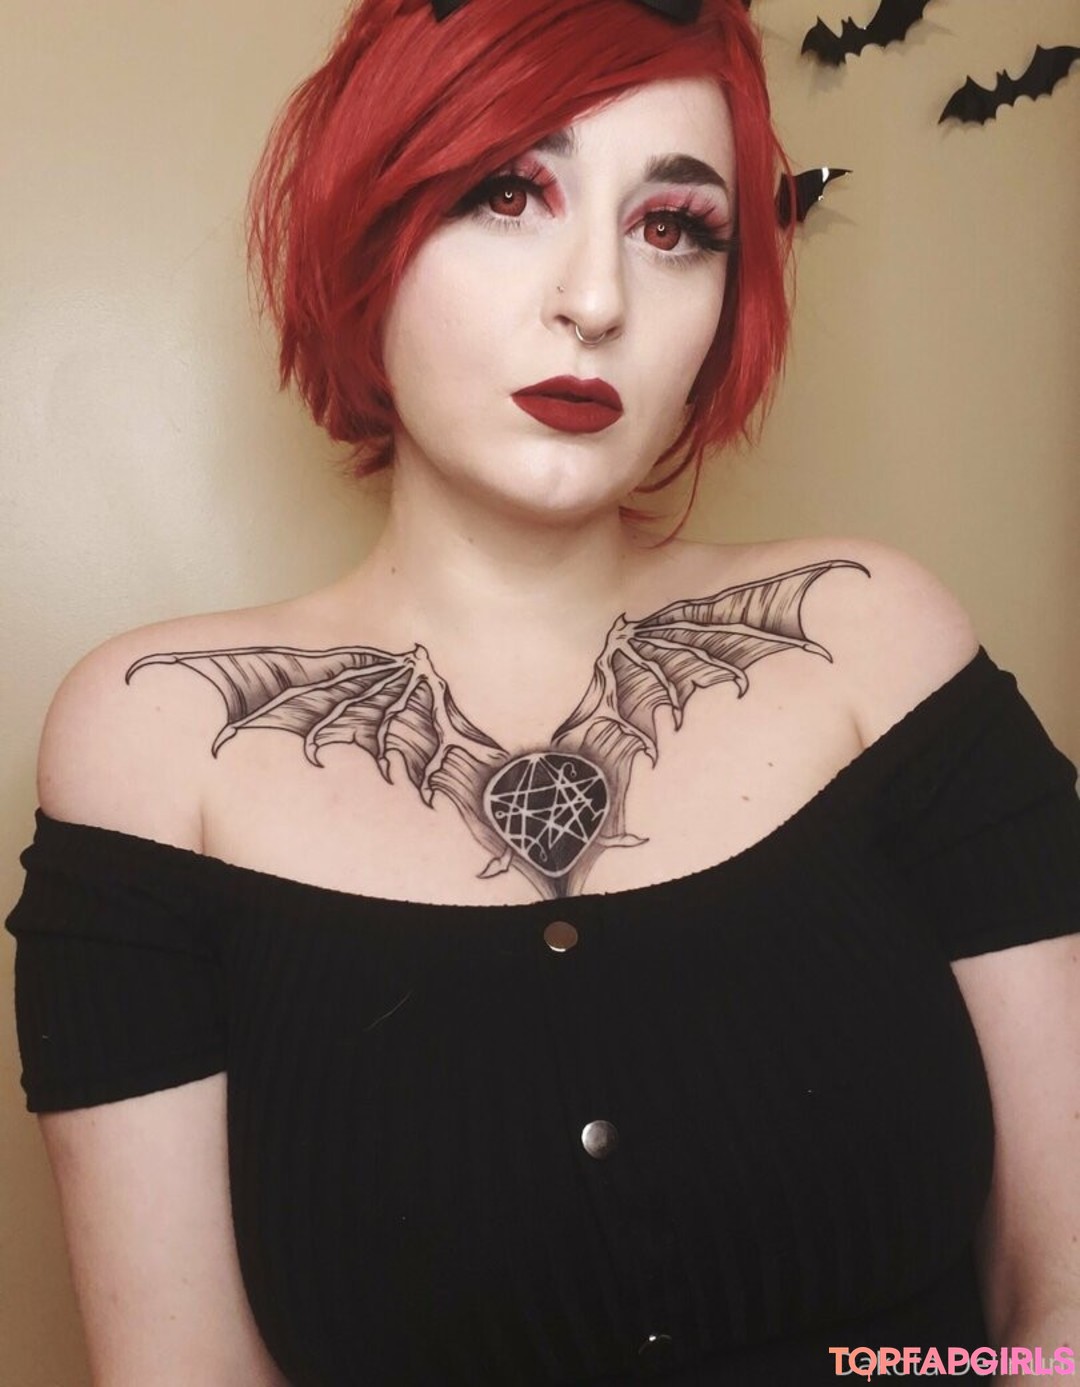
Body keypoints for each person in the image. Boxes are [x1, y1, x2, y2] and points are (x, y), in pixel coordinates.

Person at [6, 0, 1080, 1382]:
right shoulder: (165, 734)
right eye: (507, 195)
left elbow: (1061, 1311)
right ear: (371, 234)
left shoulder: (868, 640)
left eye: (673, 227)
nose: (597, 300)